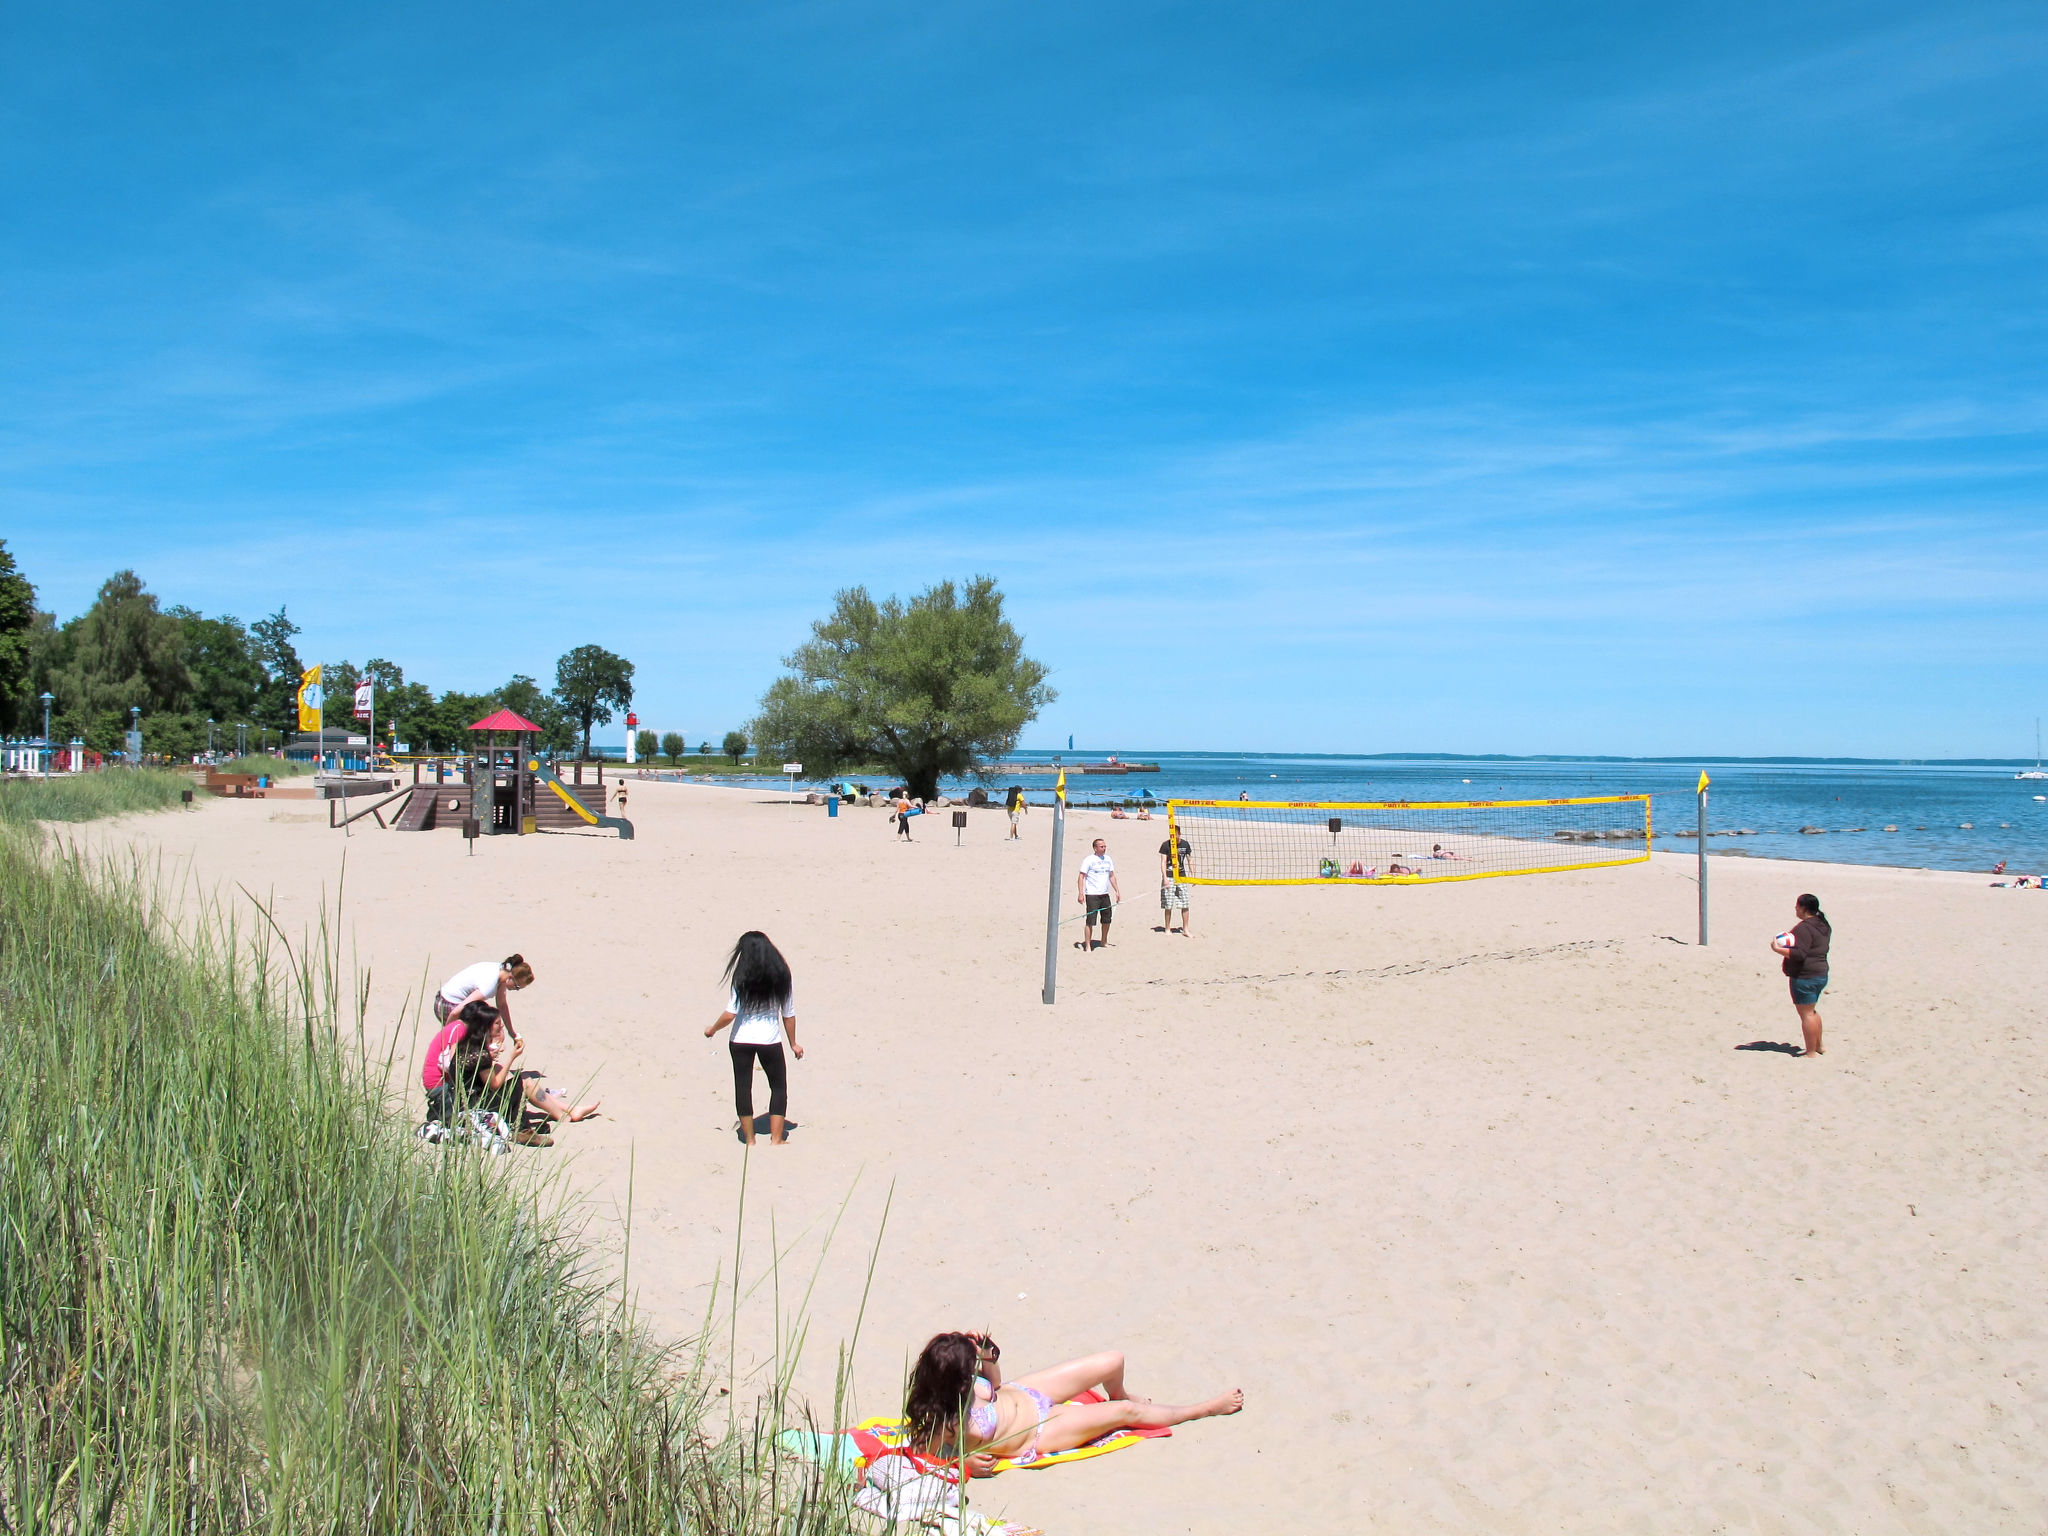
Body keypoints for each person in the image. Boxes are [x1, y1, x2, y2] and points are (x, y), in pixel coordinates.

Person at [905, 1333, 1242, 1473]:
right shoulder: (943, 1420)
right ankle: (1204, 1408)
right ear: (951, 1380)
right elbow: (921, 1455)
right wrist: (964, 1463)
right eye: (970, 1365)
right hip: (1038, 1432)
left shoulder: (968, 1383)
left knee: (1113, 1360)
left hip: (1025, 1392)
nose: (974, 1368)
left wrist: (989, 1356)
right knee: (1126, 1414)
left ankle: (1119, 1391)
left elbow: (994, 1386)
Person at [423, 999, 600, 1145]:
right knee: (518, 1082)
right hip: (458, 1096)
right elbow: (493, 1083)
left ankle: (564, 1112)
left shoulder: (469, 1043)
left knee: (516, 1079)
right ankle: (522, 1128)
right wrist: (511, 1057)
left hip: (463, 1095)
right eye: (497, 1024)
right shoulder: (467, 1040)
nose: (501, 1027)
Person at [703, 930, 804, 1145]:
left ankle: (750, 1139)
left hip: (740, 1040)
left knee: (743, 1087)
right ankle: (776, 1139)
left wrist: (713, 1029)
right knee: (778, 1087)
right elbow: (788, 1013)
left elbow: (730, 1013)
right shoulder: (782, 976)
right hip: (770, 1041)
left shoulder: (741, 977)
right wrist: (793, 1043)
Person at [1769, 893, 1832, 1059]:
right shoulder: (1823, 924)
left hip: (1806, 976)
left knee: (1807, 1014)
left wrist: (1777, 949)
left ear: (1803, 908)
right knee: (1812, 1011)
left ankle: (1811, 1052)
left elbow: (1800, 954)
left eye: (1797, 905)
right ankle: (1819, 1046)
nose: (1795, 908)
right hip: (1820, 974)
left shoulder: (1803, 928)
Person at [435, 955, 535, 1042]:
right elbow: (455, 1012)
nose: (516, 990)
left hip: (445, 998)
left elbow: (502, 1005)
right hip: (447, 1004)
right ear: (510, 978)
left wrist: (511, 1032)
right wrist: (445, 1038)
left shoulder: (501, 971)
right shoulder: (489, 986)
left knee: (493, 1030)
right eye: (517, 987)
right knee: (482, 1036)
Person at [1075, 837, 1120, 950]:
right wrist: (1080, 893)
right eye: (1101, 846)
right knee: (1090, 921)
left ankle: (1104, 941)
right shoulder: (1089, 860)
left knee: (1107, 920)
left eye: (1105, 846)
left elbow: (1111, 876)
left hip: (1104, 894)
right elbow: (1081, 876)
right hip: (1092, 895)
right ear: (1095, 848)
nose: (1104, 848)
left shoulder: (1108, 859)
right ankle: (1088, 945)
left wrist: (1117, 891)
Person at [1158, 831, 1193, 936]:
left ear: (1179, 834)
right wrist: (1165, 878)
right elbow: (1163, 862)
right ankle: (1167, 928)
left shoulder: (1185, 844)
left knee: (1185, 903)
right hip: (1169, 876)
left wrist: (1193, 873)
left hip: (1181, 877)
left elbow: (1190, 859)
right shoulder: (1165, 845)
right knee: (1168, 904)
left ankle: (1185, 929)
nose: (1173, 836)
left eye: (1175, 834)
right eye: (1171, 834)